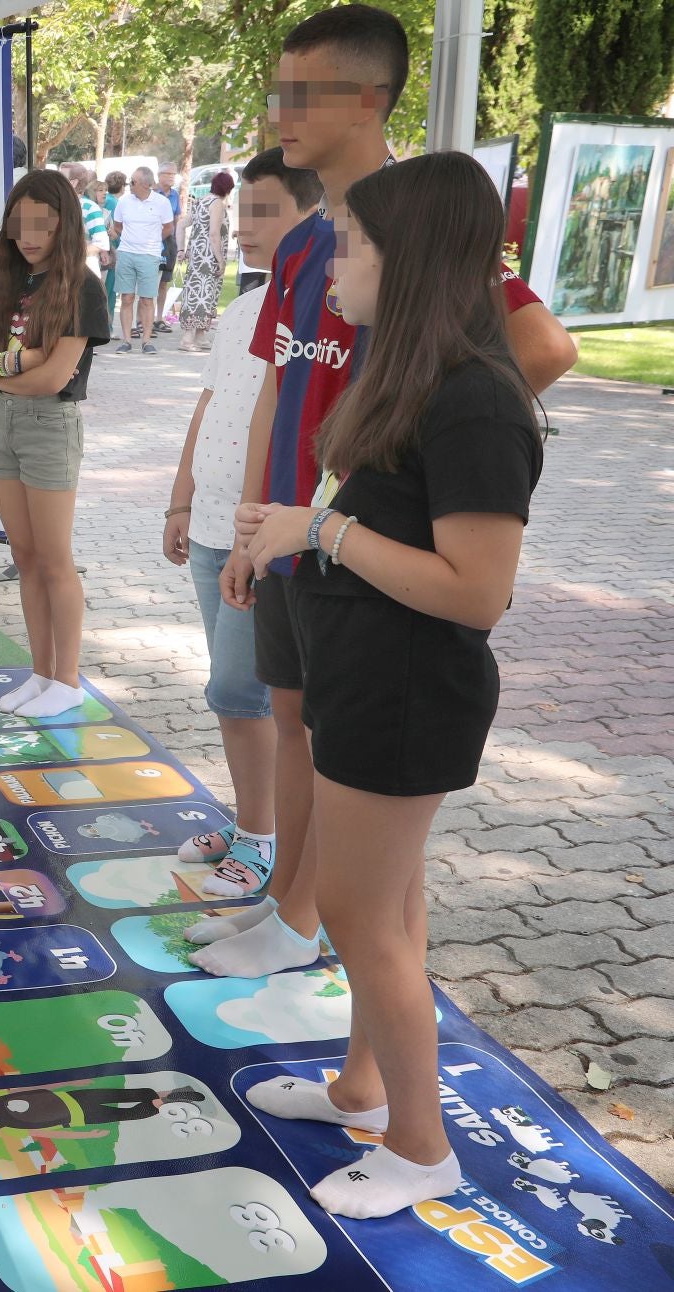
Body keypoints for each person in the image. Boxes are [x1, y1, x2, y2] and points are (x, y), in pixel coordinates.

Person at [195, 4, 577, 982]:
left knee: (345, 754)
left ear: (368, 100)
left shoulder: (414, 222)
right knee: (290, 721)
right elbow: (276, 387)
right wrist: (252, 527)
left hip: (363, 556)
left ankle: (315, 938)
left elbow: (537, 347)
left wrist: (412, 459)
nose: (281, 108)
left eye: (304, 91)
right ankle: (288, 911)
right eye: (278, 87)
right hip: (293, 532)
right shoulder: (297, 241)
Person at [236, 151, 544, 1221]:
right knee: (387, 909)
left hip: (406, 692)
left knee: (360, 912)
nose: (332, 266)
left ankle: (421, 1145)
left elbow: (475, 591)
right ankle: (362, 1087)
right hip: (362, 674)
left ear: (407, 261)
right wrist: (298, 535)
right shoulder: (408, 377)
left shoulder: (477, 404)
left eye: (355, 246)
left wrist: (321, 529)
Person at [162, 149, 321, 907]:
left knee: (237, 690)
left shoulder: (323, 304)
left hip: (264, 533)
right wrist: (180, 500)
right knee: (238, 698)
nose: (246, 228)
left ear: (310, 215)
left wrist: (259, 528)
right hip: (214, 526)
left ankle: (263, 837)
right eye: (240, 212)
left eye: (266, 211)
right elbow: (208, 406)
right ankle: (254, 819)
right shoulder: (241, 308)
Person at [0, 171, 112, 719]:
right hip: (7, 424)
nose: (28, 235)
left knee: (54, 560)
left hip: (50, 426)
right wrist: (17, 362)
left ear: (63, 223)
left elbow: (55, 380)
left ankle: (67, 679)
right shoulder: (11, 283)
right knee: (24, 558)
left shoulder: (81, 285)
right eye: (18, 224)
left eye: (41, 223)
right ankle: (41, 672)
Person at [110, 167, 174, 355]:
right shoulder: (124, 202)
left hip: (149, 255)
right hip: (126, 253)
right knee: (127, 298)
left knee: (147, 299)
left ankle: (147, 340)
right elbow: (118, 225)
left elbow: (168, 228)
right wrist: (131, 239)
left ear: (146, 185)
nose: (129, 185)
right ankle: (127, 339)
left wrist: (152, 242)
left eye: (133, 182)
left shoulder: (161, 203)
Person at [177, 169, 234, 350]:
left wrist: (181, 249)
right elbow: (214, 233)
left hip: (196, 257)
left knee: (201, 294)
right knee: (201, 295)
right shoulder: (217, 203)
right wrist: (220, 260)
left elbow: (181, 225)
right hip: (209, 257)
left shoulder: (202, 201)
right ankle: (187, 338)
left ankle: (200, 336)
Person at [63, 162, 112, 277]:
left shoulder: (90, 208)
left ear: (74, 182)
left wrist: (71, 257)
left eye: (61, 178)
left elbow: (101, 243)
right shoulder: (58, 206)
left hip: (84, 274)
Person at [154, 165, 183, 334]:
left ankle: (160, 317)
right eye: (169, 174)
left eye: (174, 174)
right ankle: (143, 319)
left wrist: (178, 245)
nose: (172, 177)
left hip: (169, 241)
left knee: (164, 281)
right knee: (150, 281)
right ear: (160, 175)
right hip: (153, 240)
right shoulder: (152, 193)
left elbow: (177, 218)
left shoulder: (175, 195)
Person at [101, 171, 125, 324]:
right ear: (122, 186)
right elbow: (117, 228)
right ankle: (107, 325)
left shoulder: (107, 200)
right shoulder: (115, 203)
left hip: (107, 248)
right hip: (111, 249)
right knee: (109, 291)